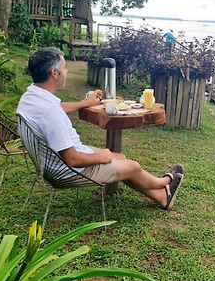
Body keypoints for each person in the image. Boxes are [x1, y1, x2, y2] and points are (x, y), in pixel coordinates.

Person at [17, 47, 184, 211]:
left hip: (51, 163)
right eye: (65, 68)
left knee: (121, 157)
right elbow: (72, 159)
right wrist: (101, 157)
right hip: (67, 171)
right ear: (54, 73)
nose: (67, 71)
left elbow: (59, 106)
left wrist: (86, 103)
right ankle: (164, 183)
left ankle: (162, 197)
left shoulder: (32, 96)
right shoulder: (50, 112)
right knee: (132, 166)